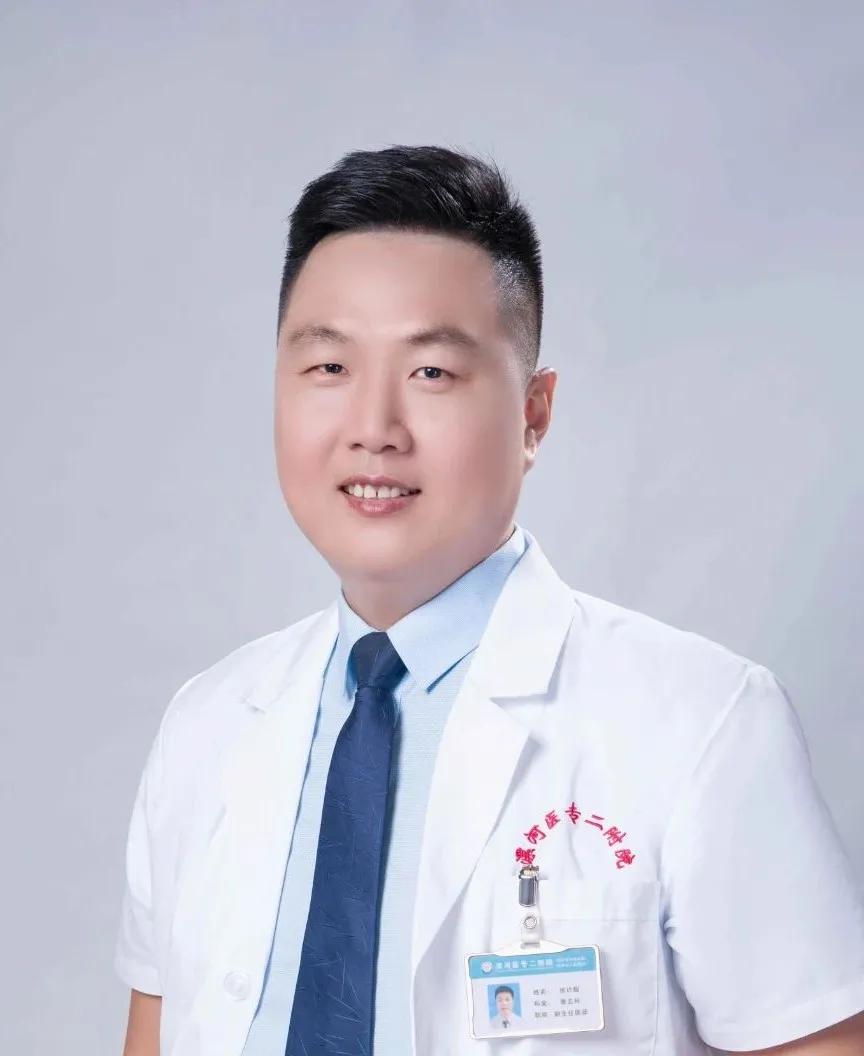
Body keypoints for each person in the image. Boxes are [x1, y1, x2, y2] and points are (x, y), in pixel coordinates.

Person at [115, 145, 864, 1056]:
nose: (374, 429)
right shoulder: (204, 728)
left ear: (533, 415)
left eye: (431, 372)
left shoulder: (704, 725)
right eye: (329, 367)